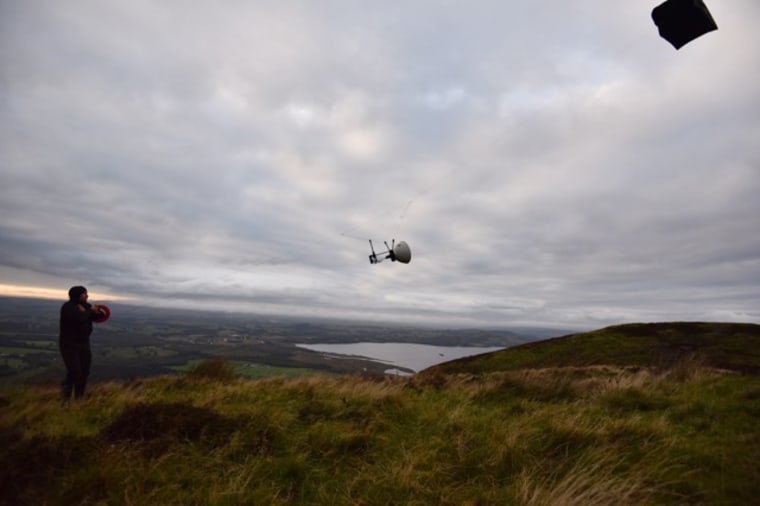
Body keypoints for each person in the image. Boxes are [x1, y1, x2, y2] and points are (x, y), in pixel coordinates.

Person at [59, 285, 104, 401]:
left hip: (84, 343)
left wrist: (97, 311)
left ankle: (79, 398)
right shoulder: (67, 307)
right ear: (78, 295)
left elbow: (100, 316)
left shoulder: (86, 306)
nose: (87, 296)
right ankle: (65, 399)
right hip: (69, 345)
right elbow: (79, 317)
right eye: (85, 294)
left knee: (84, 372)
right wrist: (89, 311)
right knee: (75, 372)